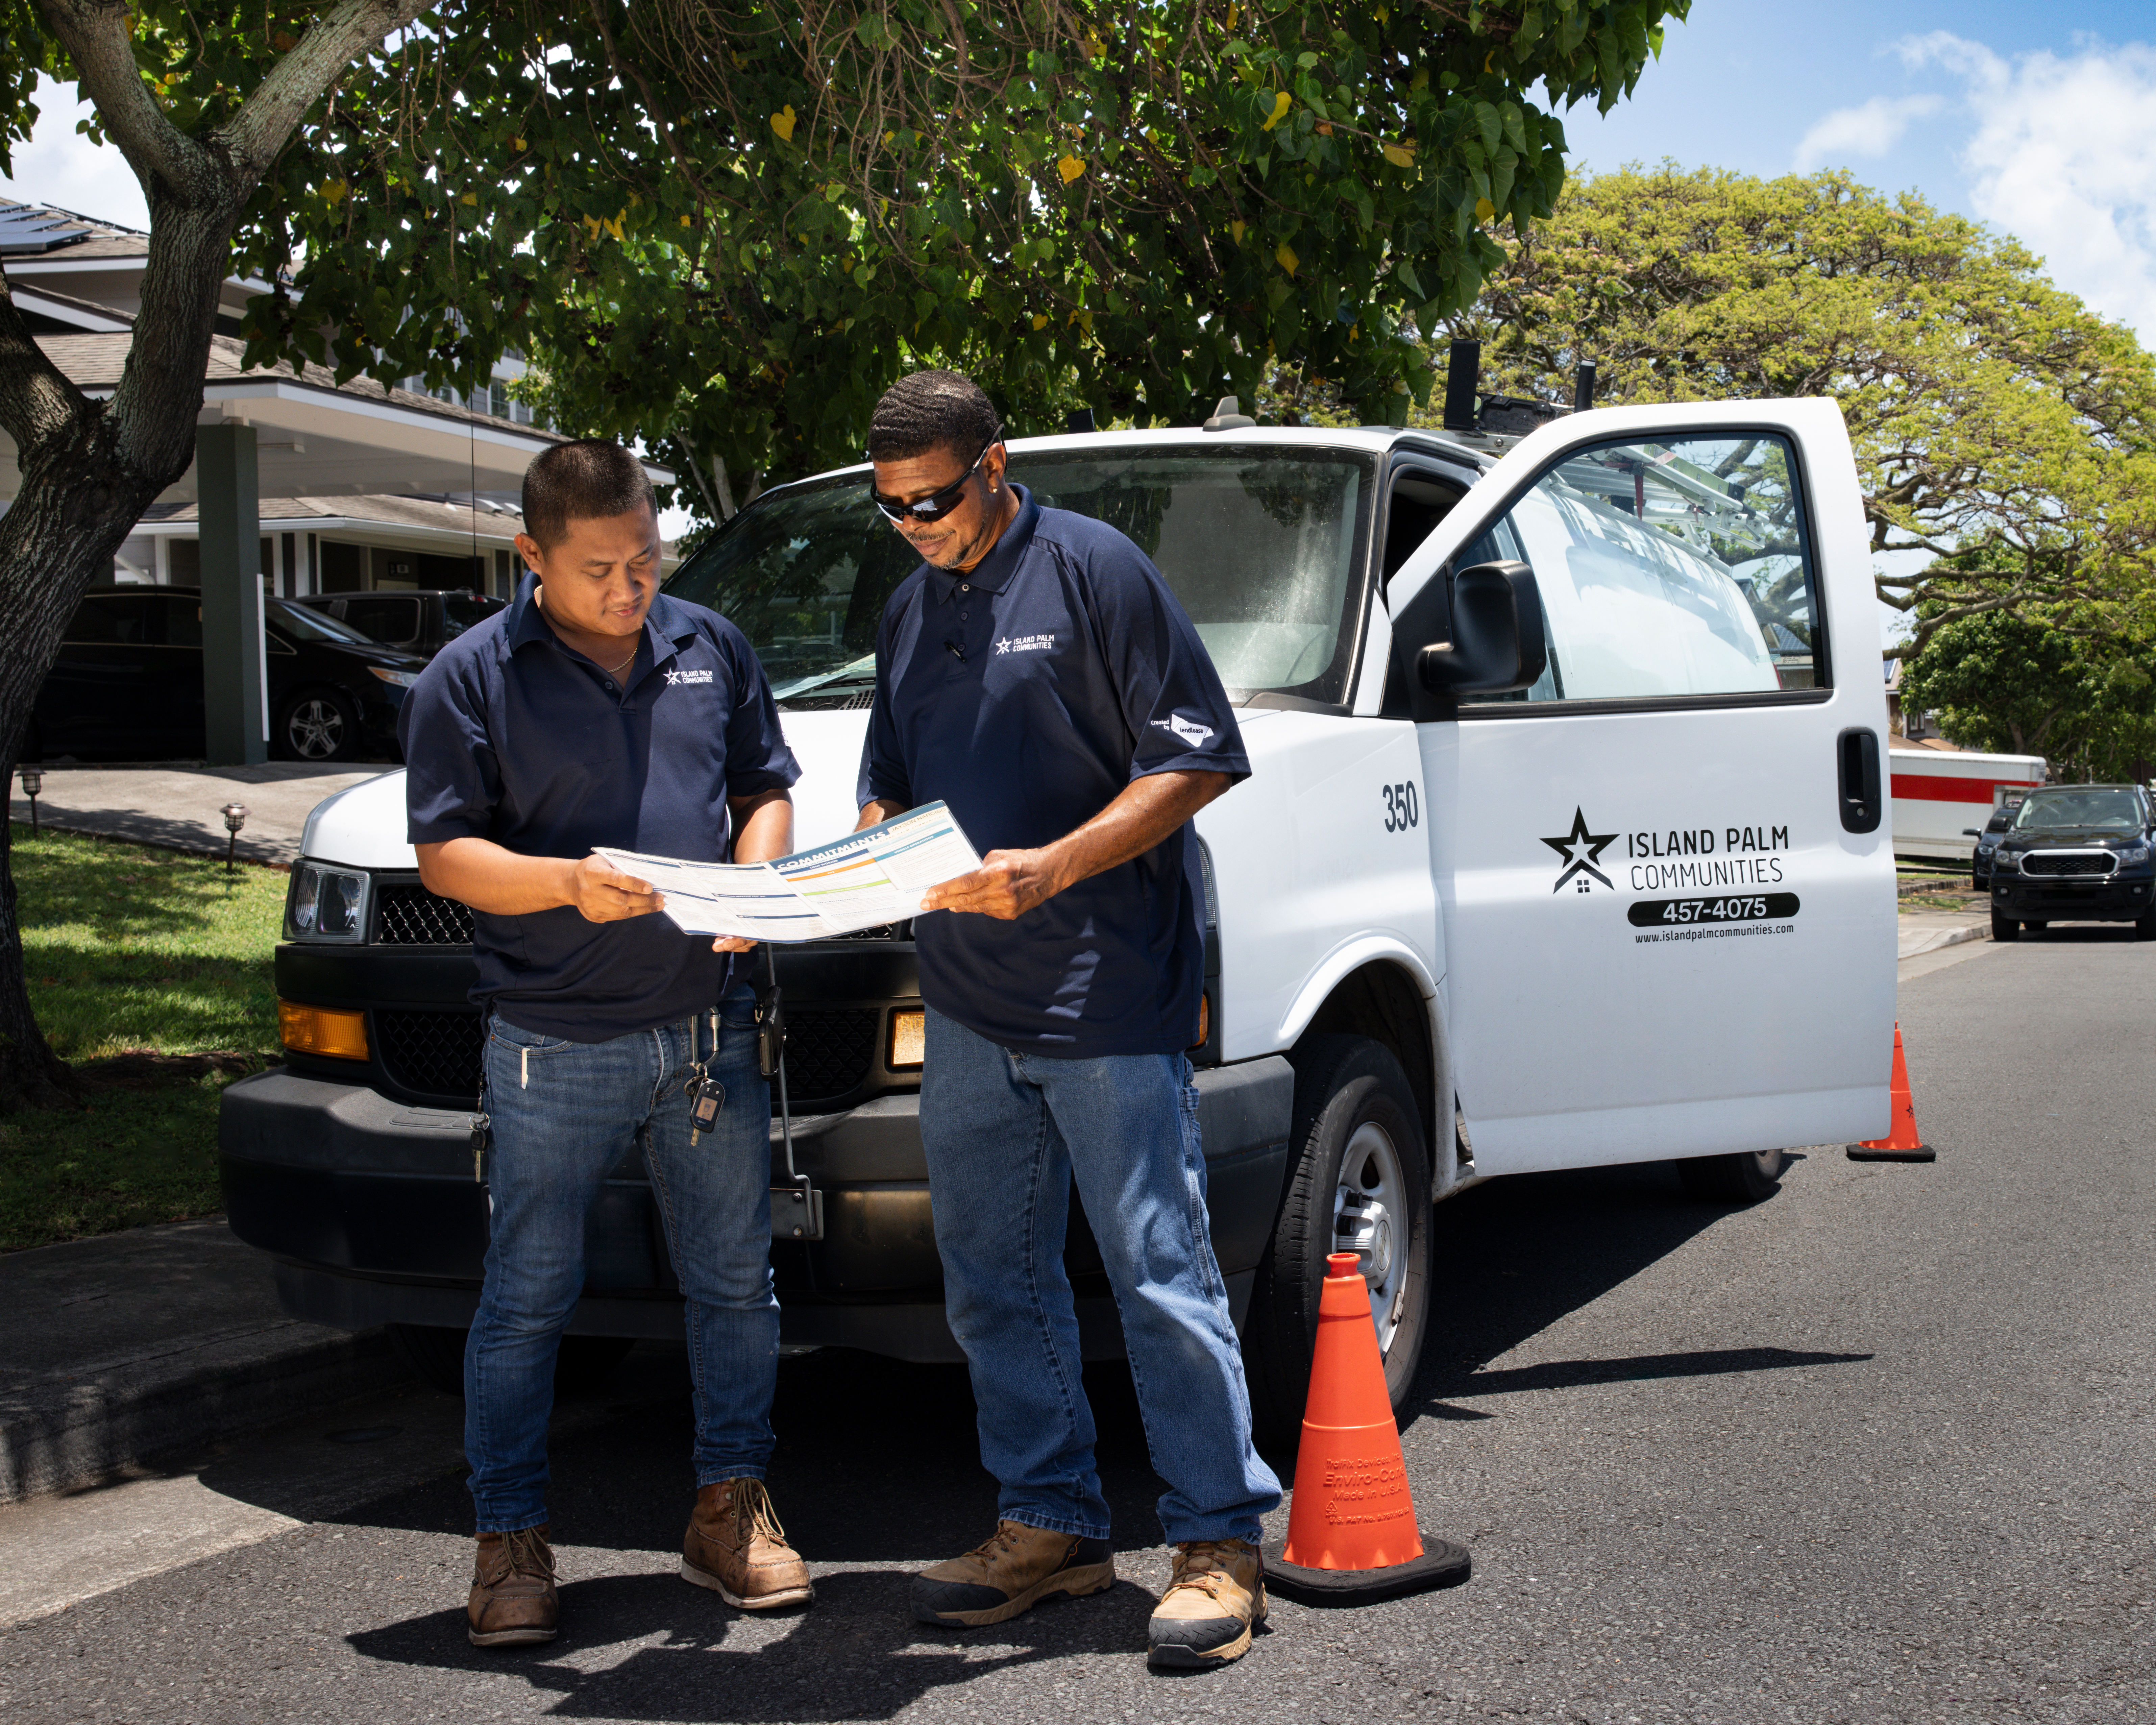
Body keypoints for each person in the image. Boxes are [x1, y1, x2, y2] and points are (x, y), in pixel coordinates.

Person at [854, 370, 1283, 1670]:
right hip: (969, 1005)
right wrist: (852, 867)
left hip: (1107, 989)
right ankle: (1050, 1524)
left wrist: (1051, 867)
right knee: (992, 1278)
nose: (919, 526)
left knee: (1160, 1274)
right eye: (894, 511)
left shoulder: (1098, 571)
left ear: (996, 461)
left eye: (934, 499)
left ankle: (1217, 1541)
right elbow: (889, 787)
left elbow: (1195, 757)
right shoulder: (909, 609)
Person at [400, 439, 812, 1647]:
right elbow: (444, 856)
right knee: (527, 1299)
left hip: (705, 1029)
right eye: (600, 571)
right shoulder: (466, 679)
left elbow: (762, 788)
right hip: (548, 1040)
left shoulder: (708, 644)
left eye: (647, 559)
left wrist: (757, 879)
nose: (633, 590)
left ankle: (730, 1513)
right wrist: (564, 885)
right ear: (530, 556)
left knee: (736, 1284)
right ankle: (511, 1539)